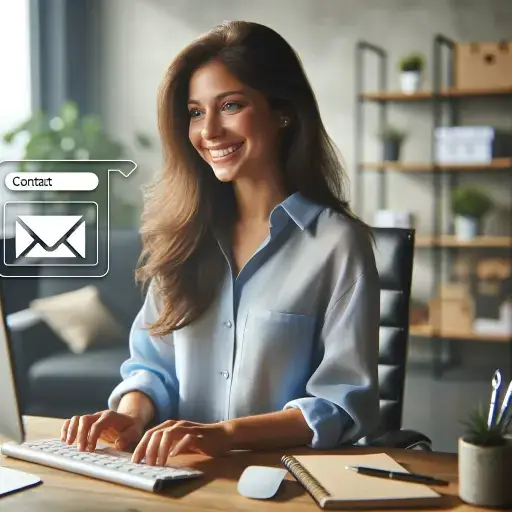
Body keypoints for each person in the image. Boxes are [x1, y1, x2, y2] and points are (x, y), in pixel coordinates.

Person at [61, 20, 381, 467]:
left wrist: (225, 435)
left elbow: (343, 406)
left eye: (230, 105)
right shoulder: (182, 236)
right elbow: (151, 368)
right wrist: (129, 417)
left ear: (282, 111)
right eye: (195, 112)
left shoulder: (336, 245)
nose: (208, 130)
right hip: (175, 477)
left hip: (283, 484)